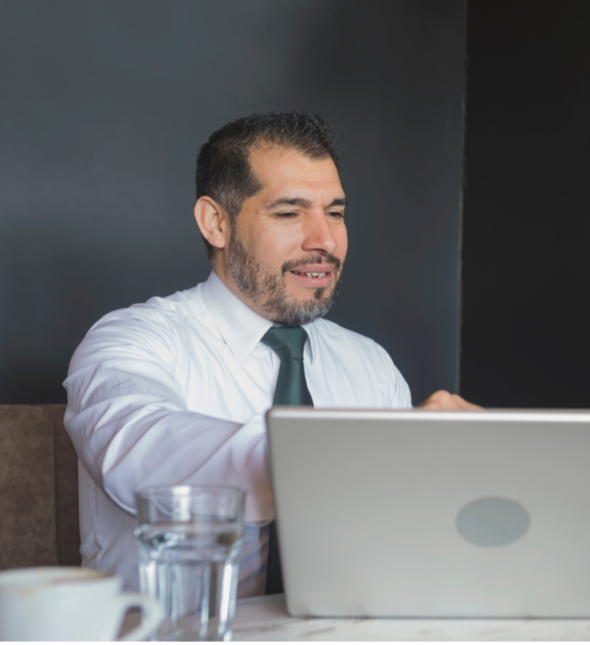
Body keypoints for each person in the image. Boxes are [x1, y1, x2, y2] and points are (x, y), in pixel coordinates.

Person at [64, 110, 476, 597]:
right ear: (216, 222)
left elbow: (407, 531)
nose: (324, 240)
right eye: (289, 212)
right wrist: (376, 449)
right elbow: (146, 460)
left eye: (336, 213)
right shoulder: (130, 341)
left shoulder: (369, 363)